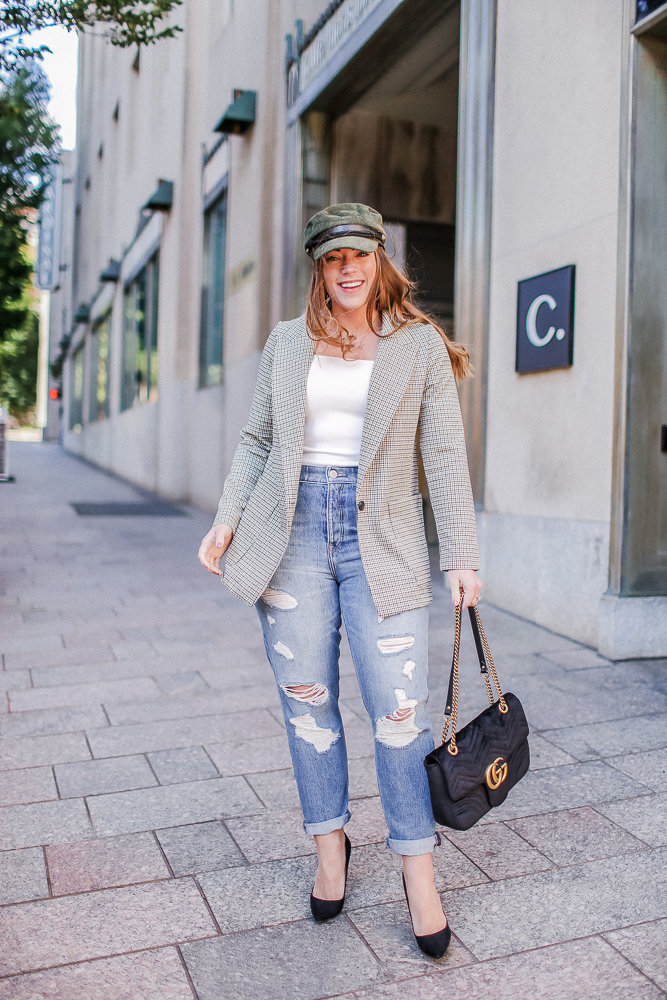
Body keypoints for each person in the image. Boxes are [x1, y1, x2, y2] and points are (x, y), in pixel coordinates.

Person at [198, 203, 481, 959]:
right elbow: (258, 439)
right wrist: (227, 519)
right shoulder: (289, 344)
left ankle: (417, 870)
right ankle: (330, 848)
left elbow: (445, 457)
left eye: (358, 255)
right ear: (318, 268)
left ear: (379, 259)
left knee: (398, 713)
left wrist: (460, 554)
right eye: (332, 259)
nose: (347, 269)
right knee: (307, 704)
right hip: (289, 536)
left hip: (380, 539)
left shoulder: (416, 347)